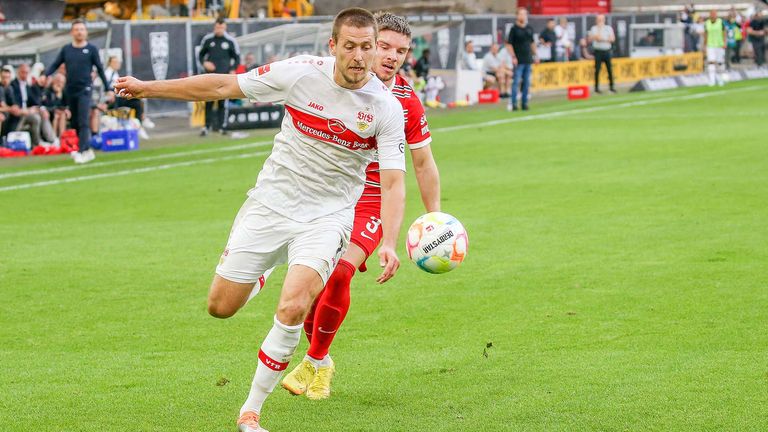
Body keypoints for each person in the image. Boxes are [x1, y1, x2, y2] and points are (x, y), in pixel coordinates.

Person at [115, 8, 407, 432]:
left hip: (327, 216)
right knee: (220, 307)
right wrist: (147, 89)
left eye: (367, 46)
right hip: (271, 205)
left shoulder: (384, 107)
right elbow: (221, 85)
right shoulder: (301, 74)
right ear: (333, 46)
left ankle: (250, 412)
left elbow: (395, 184)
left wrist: (389, 241)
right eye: (350, 46)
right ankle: (260, 273)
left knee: (292, 306)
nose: (360, 57)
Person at [276, 11, 440, 401]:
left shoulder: (404, 101)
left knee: (339, 275)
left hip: (371, 202)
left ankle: (315, 361)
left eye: (400, 51)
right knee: (313, 287)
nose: (391, 56)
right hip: (325, 196)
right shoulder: (330, 82)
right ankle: (319, 353)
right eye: (384, 46)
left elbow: (423, 162)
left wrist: (434, 217)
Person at [43, 19, 111, 164]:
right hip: (70, 90)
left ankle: (82, 151)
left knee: (83, 120)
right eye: (76, 29)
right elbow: (55, 64)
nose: (79, 32)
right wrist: (45, 75)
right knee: (74, 123)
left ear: (86, 32)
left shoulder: (91, 49)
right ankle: (87, 149)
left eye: (82, 29)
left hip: (85, 89)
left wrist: (108, 88)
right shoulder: (66, 49)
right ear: (72, 32)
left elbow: (100, 69)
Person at [197, 17, 240, 136]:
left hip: (224, 76)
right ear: (214, 27)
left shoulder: (230, 41)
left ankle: (222, 126)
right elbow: (200, 55)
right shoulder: (208, 39)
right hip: (210, 77)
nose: (219, 29)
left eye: (221, 27)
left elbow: (237, 58)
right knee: (208, 101)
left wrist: (232, 70)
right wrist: (204, 63)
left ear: (225, 27)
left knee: (223, 102)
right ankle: (206, 127)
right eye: (217, 27)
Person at [9, 63, 54, 147]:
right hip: (19, 113)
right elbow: (13, 102)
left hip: (28, 112)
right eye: (23, 72)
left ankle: (51, 139)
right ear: (18, 72)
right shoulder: (13, 85)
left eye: (26, 73)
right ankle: (37, 143)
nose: (25, 75)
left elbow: (34, 101)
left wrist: (41, 108)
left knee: (42, 113)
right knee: (36, 118)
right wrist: (24, 110)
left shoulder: (27, 86)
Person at [506, 7, 537, 111]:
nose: (523, 16)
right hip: (518, 60)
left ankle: (524, 103)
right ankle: (514, 103)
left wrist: (536, 55)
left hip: (528, 58)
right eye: (521, 14)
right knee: (516, 82)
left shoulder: (529, 28)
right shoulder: (514, 29)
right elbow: (509, 44)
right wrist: (513, 56)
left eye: (525, 14)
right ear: (517, 16)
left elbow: (532, 43)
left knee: (526, 82)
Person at [589, 14, 616, 94]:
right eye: (598, 19)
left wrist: (603, 39)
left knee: (609, 69)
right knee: (597, 70)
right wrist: (600, 30)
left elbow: (612, 39)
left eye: (601, 19)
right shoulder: (594, 28)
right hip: (598, 51)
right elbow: (597, 38)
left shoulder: (608, 28)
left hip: (607, 51)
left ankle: (611, 87)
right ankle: (597, 88)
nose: (600, 21)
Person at [42, 73, 70, 139]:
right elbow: (47, 105)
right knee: (57, 115)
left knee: (62, 115)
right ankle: (53, 138)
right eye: (58, 81)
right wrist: (57, 97)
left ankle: (62, 137)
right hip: (50, 112)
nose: (59, 84)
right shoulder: (48, 91)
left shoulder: (63, 91)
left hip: (60, 112)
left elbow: (66, 104)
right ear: (54, 81)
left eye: (62, 82)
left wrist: (66, 109)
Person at [704, 10, 727, 86]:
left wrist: (724, 42)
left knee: (720, 63)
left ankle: (720, 79)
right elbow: (706, 34)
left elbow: (724, 33)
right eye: (712, 14)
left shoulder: (721, 22)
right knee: (711, 62)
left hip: (719, 45)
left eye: (715, 14)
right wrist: (705, 45)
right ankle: (712, 80)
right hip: (710, 45)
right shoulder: (707, 23)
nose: (713, 15)